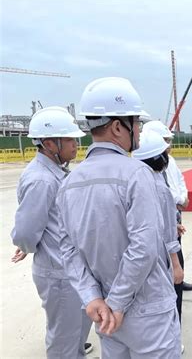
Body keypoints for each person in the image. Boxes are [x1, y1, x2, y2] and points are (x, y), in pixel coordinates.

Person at [56, 77, 181, 358]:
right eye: (135, 122)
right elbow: (144, 247)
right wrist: (118, 303)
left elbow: (68, 249)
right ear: (117, 127)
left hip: (105, 315)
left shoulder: (69, 183)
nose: (138, 129)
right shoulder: (137, 174)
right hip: (146, 311)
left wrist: (93, 298)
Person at [10, 106, 93, 358]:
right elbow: (25, 232)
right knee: (63, 341)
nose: (75, 144)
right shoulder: (41, 180)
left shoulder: (55, 172)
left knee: (77, 332)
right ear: (48, 143)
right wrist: (25, 245)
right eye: (69, 139)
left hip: (69, 269)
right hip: (58, 274)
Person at [132, 130, 186, 354]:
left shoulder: (131, 181)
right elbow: (167, 234)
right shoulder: (160, 189)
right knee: (164, 307)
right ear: (160, 158)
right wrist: (176, 264)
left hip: (133, 259)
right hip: (157, 258)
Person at [143, 120, 192, 292]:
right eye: (166, 140)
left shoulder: (169, 160)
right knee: (168, 252)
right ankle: (173, 285)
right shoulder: (151, 164)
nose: (169, 145)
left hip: (175, 211)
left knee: (176, 247)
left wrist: (184, 197)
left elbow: (179, 180)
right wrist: (179, 200)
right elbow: (162, 189)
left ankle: (179, 280)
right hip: (166, 213)